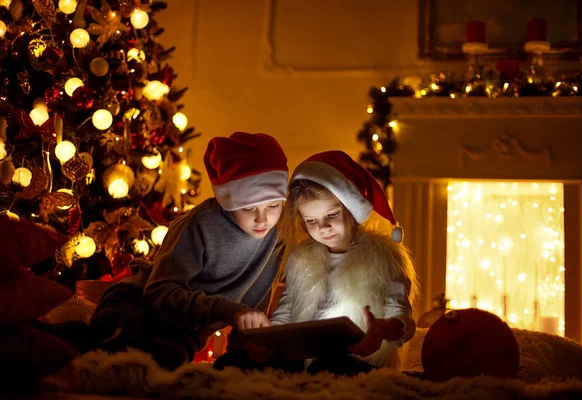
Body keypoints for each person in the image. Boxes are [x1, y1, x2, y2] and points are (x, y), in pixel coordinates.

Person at [86, 132, 289, 370]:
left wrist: (247, 347)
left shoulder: (278, 234)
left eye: (273, 205)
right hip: (137, 306)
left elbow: (254, 309)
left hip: (182, 335)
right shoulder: (200, 224)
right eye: (248, 207)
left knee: (161, 365)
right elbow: (159, 291)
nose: (262, 219)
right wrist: (227, 310)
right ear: (228, 200)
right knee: (103, 344)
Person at [214, 150, 418, 376]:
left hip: (358, 359)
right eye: (311, 220)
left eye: (332, 215)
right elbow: (286, 313)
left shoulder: (385, 258)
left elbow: (402, 318)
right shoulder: (301, 260)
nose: (322, 227)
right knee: (231, 364)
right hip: (302, 358)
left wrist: (383, 329)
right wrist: (269, 342)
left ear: (350, 209)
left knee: (328, 366)